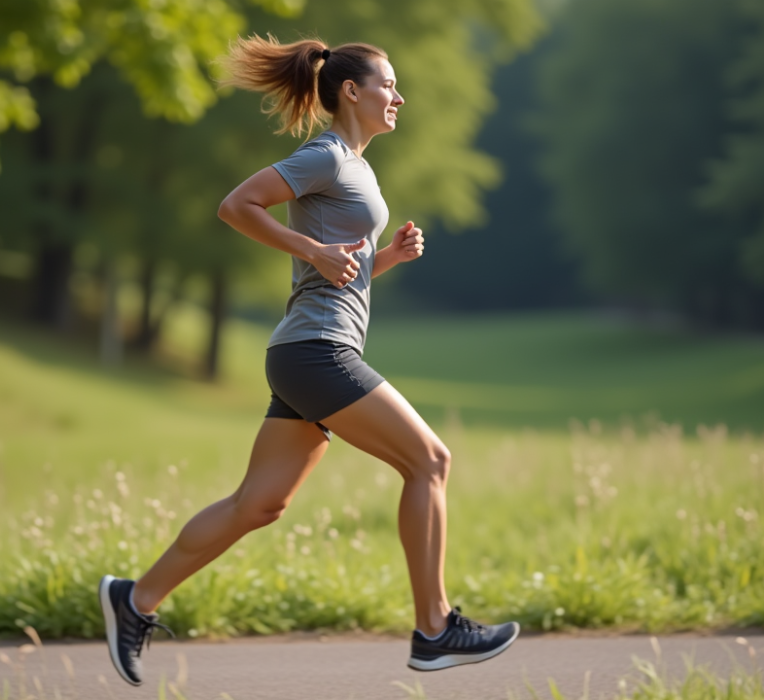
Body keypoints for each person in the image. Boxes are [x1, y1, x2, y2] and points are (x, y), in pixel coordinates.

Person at [97, 35, 519, 687]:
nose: (398, 97)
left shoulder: (355, 166)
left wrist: (384, 260)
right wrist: (309, 248)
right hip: (316, 352)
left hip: (306, 350)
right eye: (388, 85)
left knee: (258, 505)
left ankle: (135, 599)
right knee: (430, 460)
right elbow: (236, 205)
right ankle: (435, 628)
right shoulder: (323, 156)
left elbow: (335, 270)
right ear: (352, 91)